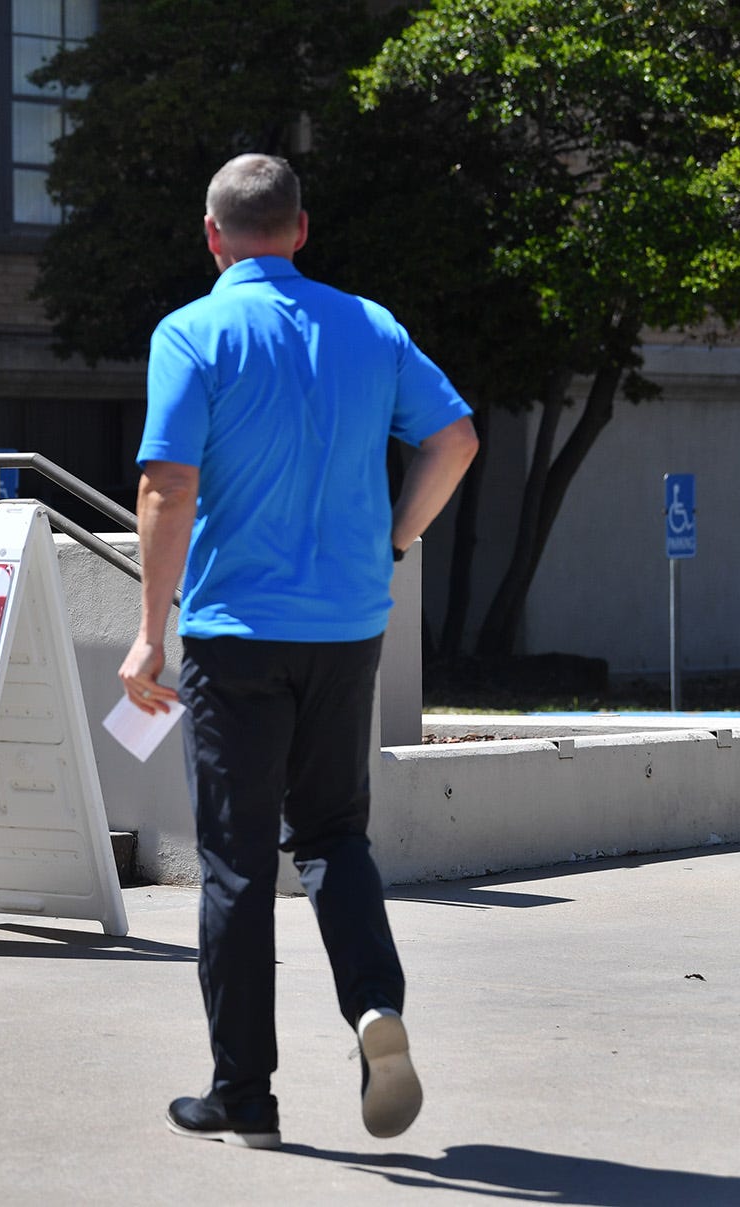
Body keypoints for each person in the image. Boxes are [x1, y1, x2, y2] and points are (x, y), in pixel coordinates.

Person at [118, 153, 479, 1148]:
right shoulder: (370, 326)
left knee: (235, 862)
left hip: (237, 635)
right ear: (301, 229)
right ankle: (372, 1005)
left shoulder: (193, 332)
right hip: (348, 626)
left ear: (211, 235)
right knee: (331, 835)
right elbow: (454, 440)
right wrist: (395, 539)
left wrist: (149, 633)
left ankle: (244, 1092)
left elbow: (167, 489)